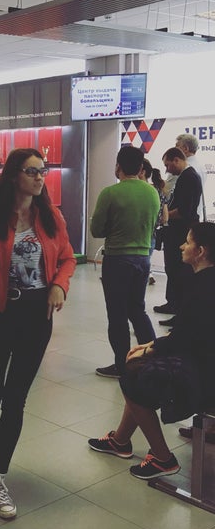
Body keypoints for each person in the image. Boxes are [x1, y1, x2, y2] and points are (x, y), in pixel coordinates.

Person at [0, 148, 76, 518]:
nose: (40, 176)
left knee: (16, 399)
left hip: (36, 316)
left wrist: (59, 284)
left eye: (42, 170)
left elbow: (68, 257)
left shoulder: (51, 216)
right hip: (0, 314)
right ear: (15, 175)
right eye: (32, 171)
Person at [88, 222, 215, 479]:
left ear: (200, 251)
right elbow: (190, 333)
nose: (181, 246)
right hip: (205, 361)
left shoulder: (201, 288)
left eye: (188, 242)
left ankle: (162, 458)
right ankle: (120, 440)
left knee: (132, 373)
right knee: (137, 369)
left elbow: (183, 339)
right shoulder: (205, 282)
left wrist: (148, 350)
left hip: (205, 375)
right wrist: (151, 346)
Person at [91, 146, 160, 379]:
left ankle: (122, 366)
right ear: (141, 168)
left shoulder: (110, 193)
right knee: (138, 310)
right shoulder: (152, 193)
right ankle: (152, 359)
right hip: (143, 259)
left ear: (118, 166)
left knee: (117, 314)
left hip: (117, 260)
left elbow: (97, 230)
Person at [154, 147, 202, 326]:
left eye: (168, 165)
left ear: (177, 160)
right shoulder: (185, 177)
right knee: (173, 271)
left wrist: (164, 216)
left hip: (180, 232)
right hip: (176, 232)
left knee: (180, 272)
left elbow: (184, 210)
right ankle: (174, 304)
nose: (167, 169)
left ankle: (180, 314)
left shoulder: (189, 178)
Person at [176, 133, 205, 221]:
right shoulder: (201, 167)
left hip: (181, 218)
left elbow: (170, 193)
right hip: (195, 215)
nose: (174, 150)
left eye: (177, 146)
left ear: (185, 149)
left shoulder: (182, 168)